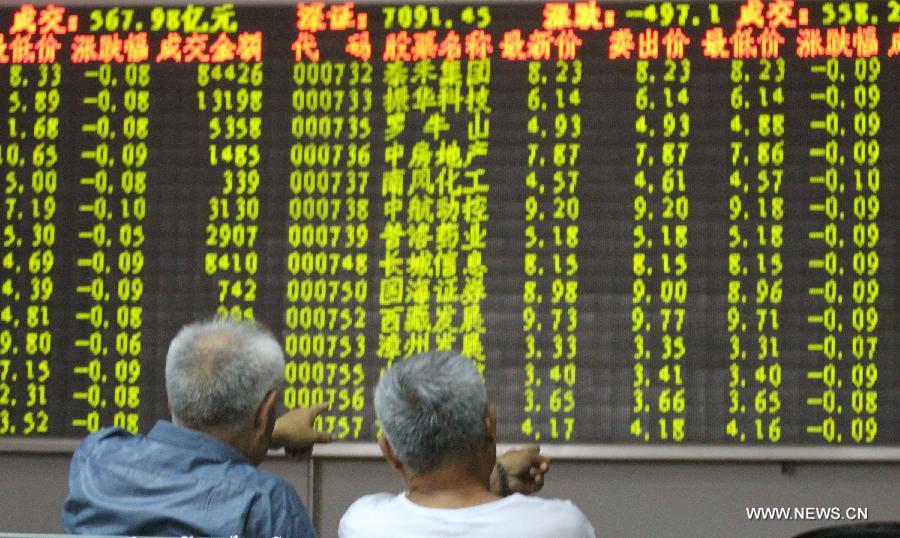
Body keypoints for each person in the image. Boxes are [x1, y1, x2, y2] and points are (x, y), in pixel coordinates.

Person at [62, 317, 331, 537]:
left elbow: (176, 454)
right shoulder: (265, 503)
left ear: (171, 397)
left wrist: (270, 432)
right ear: (266, 410)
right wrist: (263, 431)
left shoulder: (97, 458)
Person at [339, 350, 596, 538]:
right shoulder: (562, 527)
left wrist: (497, 478)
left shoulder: (362, 525)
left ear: (389, 452)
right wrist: (496, 478)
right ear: (490, 425)